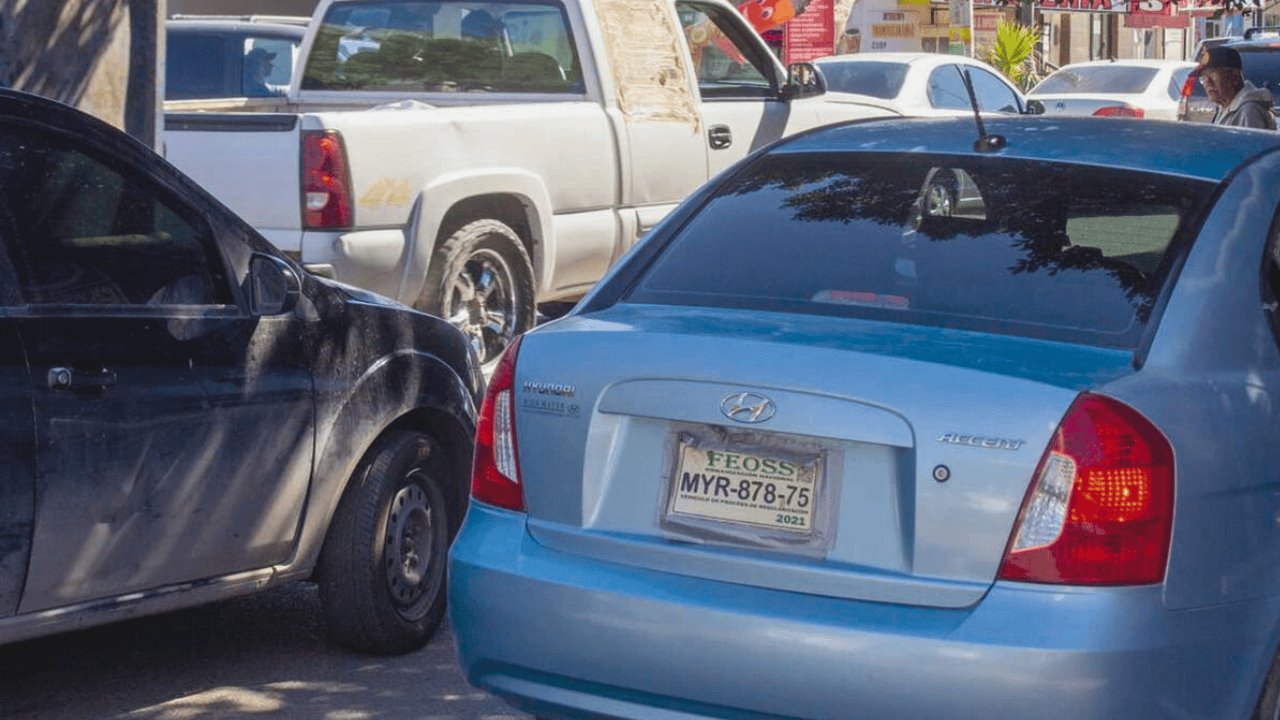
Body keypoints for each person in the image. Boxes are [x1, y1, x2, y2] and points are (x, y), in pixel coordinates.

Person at [1193, 45, 1276, 130]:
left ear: (1234, 76)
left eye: (1212, 75)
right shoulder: (1226, 107)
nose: (1207, 82)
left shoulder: (1249, 111)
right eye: (1203, 77)